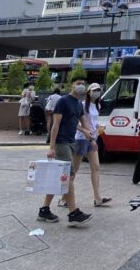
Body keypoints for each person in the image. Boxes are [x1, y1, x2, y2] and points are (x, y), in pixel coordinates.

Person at [37, 78, 93, 227]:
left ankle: (44, 209)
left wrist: (87, 132)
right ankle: (74, 212)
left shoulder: (78, 104)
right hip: (62, 143)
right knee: (68, 177)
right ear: (71, 85)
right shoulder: (63, 101)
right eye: (78, 83)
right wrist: (52, 147)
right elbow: (55, 126)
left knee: (60, 178)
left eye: (83, 83)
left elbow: (78, 122)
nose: (81, 85)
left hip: (71, 142)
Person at [70, 83, 111, 207]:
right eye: (94, 90)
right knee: (74, 169)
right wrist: (85, 131)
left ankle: (97, 197)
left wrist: (98, 127)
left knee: (96, 167)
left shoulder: (97, 105)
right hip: (81, 139)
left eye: (99, 90)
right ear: (89, 92)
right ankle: (64, 197)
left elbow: (92, 122)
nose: (97, 92)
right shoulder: (82, 105)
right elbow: (75, 123)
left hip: (93, 139)